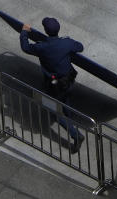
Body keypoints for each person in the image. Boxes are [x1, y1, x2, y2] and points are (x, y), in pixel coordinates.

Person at [19, 18, 84, 153]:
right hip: (69, 81)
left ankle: (75, 134)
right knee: (66, 100)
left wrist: (24, 32)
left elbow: (25, 47)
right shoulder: (67, 43)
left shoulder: (42, 47)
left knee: (54, 110)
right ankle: (70, 119)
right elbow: (80, 47)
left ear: (45, 31)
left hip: (53, 86)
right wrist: (69, 42)